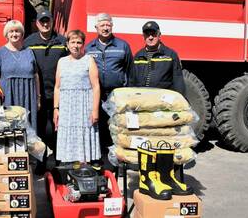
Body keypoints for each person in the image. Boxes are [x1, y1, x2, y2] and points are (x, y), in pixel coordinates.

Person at [85, 13, 133, 166]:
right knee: (97, 126)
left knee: (117, 127)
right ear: (96, 28)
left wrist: (128, 93)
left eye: (108, 25)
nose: (105, 28)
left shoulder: (122, 46)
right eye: (102, 25)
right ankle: (97, 158)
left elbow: (130, 70)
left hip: (116, 94)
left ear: (112, 26)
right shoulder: (89, 48)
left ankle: (117, 161)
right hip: (96, 94)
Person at [23, 10, 68, 153]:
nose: (45, 24)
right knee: (40, 129)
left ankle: (58, 160)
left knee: (58, 128)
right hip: (38, 94)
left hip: (58, 93)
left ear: (52, 22)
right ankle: (41, 161)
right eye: (42, 21)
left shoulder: (62, 41)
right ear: (37, 23)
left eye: (47, 20)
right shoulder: (28, 42)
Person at [54, 30, 101, 163]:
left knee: (83, 139)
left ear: (83, 44)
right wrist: (56, 109)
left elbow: (96, 86)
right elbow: (57, 87)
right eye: (72, 42)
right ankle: (69, 169)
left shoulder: (89, 60)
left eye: (79, 42)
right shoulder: (61, 61)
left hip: (83, 106)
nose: (76, 45)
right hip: (67, 107)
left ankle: (84, 168)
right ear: (67, 44)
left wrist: (95, 110)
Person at [0, 20, 41, 131]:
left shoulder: (29, 52)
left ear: (22, 34)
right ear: (6, 34)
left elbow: (36, 76)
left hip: (28, 98)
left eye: (17, 31)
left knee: (28, 131)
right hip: (8, 98)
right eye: (11, 31)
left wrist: (38, 98)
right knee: (8, 131)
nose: (14, 34)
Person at [128, 21, 185, 95]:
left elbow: (178, 81)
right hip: (142, 100)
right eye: (147, 35)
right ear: (143, 36)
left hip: (162, 101)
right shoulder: (138, 56)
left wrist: (177, 101)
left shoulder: (170, 55)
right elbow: (131, 81)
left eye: (153, 34)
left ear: (159, 35)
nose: (150, 37)